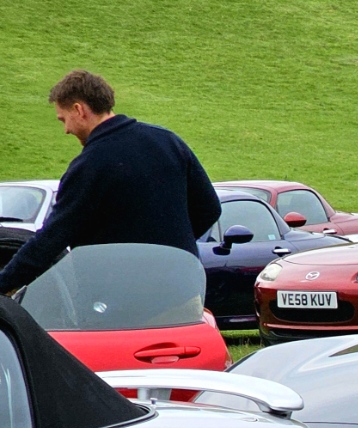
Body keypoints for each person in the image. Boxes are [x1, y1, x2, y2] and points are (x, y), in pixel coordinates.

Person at [0, 70, 221, 295]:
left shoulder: (89, 165)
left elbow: (51, 240)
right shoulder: (168, 141)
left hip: (119, 296)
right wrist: (168, 247)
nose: (66, 130)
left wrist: (3, 283)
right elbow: (210, 209)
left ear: (79, 109)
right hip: (183, 286)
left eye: (63, 119)